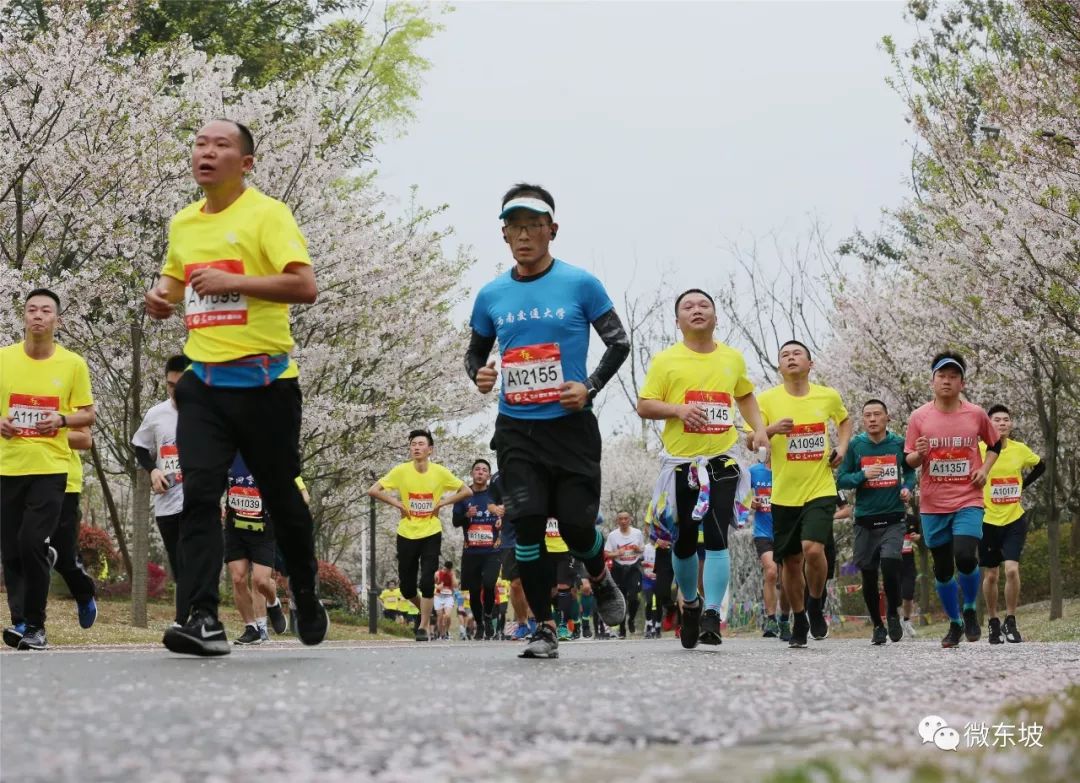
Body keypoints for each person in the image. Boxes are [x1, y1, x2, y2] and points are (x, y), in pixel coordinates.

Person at [145, 118, 327, 656]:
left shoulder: (268, 214)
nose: (206, 152)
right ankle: (202, 616)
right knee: (199, 495)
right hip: (203, 385)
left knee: (282, 499)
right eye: (200, 144)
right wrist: (160, 297)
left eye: (220, 145)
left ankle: (306, 591)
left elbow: (305, 285)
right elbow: (175, 279)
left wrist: (235, 281)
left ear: (245, 163)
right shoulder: (184, 223)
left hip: (266, 385)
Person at [466, 183, 631, 659]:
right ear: (504, 234)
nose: (524, 236)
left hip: (571, 428)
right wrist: (479, 374)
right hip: (517, 430)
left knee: (577, 530)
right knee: (529, 525)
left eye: (533, 226)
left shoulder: (581, 284)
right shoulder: (491, 294)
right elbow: (475, 353)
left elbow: (619, 342)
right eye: (514, 227)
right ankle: (544, 627)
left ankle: (599, 576)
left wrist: (590, 386)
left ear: (551, 230)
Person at [639, 289, 769, 649]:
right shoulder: (666, 361)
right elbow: (645, 405)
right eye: (688, 306)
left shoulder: (732, 358)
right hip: (681, 464)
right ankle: (691, 603)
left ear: (715, 316)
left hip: (722, 458)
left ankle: (712, 612)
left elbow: (744, 395)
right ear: (677, 320)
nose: (697, 310)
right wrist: (678, 410)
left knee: (716, 533)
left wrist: (758, 428)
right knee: (683, 540)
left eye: (704, 305)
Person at [1, 289, 96, 651]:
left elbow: (88, 416)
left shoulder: (73, 364)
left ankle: (35, 626)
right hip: (8, 466)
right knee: (11, 550)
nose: (38, 315)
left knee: (32, 543)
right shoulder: (4, 359)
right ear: (23, 317)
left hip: (52, 468)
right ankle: (21, 622)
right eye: (31, 310)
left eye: (45, 310)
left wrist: (60, 419)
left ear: (57, 319)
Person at [750, 340, 851, 649]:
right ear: (779, 366)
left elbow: (844, 421)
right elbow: (751, 441)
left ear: (810, 364)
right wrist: (771, 430)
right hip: (783, 495)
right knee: (791, 563)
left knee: (813, 549)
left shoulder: (828, 395)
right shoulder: (766, 400)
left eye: (797, 354)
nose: (791, 358)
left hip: (820, 487)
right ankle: (799, 618)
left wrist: (842, 447)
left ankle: (815, 603)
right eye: (785, 355)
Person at [904, 352, 1001, 648]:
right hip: (933, 504)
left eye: (953, 376)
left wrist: (985, 469)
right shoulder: (919, 417)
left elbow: (996, 444)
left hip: (968, 498)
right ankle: (955, 623)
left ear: (962, 383)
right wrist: (919, 454)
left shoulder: (976, 414)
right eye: (942, 376)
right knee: (943, 568)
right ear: (932, 381)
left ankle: (970, 608)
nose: (947, 381)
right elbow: (909, 460)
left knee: (966, 555)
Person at [368, 429, 471, 642]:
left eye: (421, 444)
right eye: (413, 444)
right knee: (407, 588)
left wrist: (441, 503)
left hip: (431, 532)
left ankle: (423, 625)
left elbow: (466, 491)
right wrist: (398, 504)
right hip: (406, 532)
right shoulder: (401, 471)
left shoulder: (440, 472)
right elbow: (374, 490)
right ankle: (427, 610)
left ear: (430, 449)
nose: (416, 447)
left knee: (426, 581)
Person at [837, 399, 917, 645]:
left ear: (887, 418)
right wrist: (862, 475)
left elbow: (910, 471)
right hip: (865, 520)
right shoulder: (856, 446)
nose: (872, 419)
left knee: (891, 563)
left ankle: (892, 613)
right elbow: (841, 479)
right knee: (869, 575)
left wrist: (907, 487)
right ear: (863, 420)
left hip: (893, 517)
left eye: (877, 414)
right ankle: (877, 625)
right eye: (867, 415)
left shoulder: (898, 443)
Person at [132, 354, 189, 626]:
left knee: (191, 558)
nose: (175, 391)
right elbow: (140, 447)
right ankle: (190, 617)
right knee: (179, 564)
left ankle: (185, 620)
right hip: (167, 503)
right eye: (170, 385)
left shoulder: (208, 412)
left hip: (197, 501)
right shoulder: (156, 414)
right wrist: (153, 471)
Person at [979, 404, 1044, 644]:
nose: (1002, 423)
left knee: (1012, 570)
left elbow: (1040, 465)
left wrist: (1022, 486)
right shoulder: (978, 449)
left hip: (1014, 518)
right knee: (991, 575)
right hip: (986, 520)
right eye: (997, 420)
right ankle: (993, 621)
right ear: (988, 424)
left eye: (1006, 419)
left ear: (1011, 424)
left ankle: (1011, 619)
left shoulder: (1020, 449)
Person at [224, 453, 294, 644]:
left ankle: (273, 602)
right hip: (235, 525)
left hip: (263, 527)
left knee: (261, 581)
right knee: (238, 578)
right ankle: (251, 628)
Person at [452, 459, 502, 640]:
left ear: (489, 475)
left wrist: (501, 519)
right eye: (477, 469)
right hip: (471, 552)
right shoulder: (464, 494)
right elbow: (455, 522)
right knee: (473, 591)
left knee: (488, 584)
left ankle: (487, 616)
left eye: (484, 470)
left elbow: (507, 512)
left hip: (492, 551)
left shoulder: (496, 494)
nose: (480, 472)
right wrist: (467, 515)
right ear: (472, 473)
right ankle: (480, 624)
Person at [487, 471, 534, 640]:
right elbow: (490, 503)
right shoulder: (497, 478)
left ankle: (535, 622)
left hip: (532, 533)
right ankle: (522, 624)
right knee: (515, 584)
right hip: (509, 538)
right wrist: (496, 509)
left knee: (533, 581)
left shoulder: (533, 471)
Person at [749, 457, 788, 639]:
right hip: (762, 532)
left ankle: (785, 619)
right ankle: (771, 619)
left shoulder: (789, 467)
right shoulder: (754, 471)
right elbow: (739, 493)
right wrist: (750, 500)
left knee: (787, 577)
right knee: (771, 571)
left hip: (785, 531)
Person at [604, 511, 645, 638]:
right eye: (620, 519)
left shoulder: (637, 533)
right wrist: (617, 553)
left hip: (633, 568)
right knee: (620, 599)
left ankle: (631, 619)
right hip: (618, 569)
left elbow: (642, 549)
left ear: (630, 520)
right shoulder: (613, 535)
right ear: (617, 521)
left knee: (633, 597)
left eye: (626, 518)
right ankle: (622, 629)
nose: (623, 521)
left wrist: (638, 549)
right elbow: (606, 553)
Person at [900, 511, 921, 638]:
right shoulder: (888, 516)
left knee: (908, 594)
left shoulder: (913, 519)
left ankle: (906, 620)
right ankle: (894, 622)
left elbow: (921, 536)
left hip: (908, 562)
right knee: (894, 595)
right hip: (891, 561)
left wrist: (918, 537)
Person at [433, 562, 457, 640]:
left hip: (448, 597)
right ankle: (440, 634)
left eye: (448, 570)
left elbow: (455, 585)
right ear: (444, 568)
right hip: (438, 597)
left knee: (447, 615)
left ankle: (446, 632)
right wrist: (437, 586)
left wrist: (453, 575)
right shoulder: (437, 573)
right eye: (445, 569)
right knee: (440, 617)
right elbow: (431, 583)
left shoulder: (452, 574)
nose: (447, 571)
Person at [641, 539, 659, 638]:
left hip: (658, 579)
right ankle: (648, 625)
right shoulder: (645, 548)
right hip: (647, 579)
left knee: (657, 604)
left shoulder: (661, 548)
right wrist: (644, 563)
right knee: (649, 602)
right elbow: (639, 561)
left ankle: (655, 627)